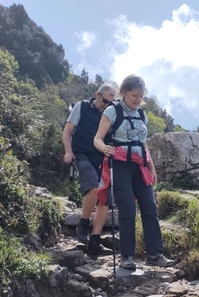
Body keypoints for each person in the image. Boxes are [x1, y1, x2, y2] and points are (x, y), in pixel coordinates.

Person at [93, 74, 175, 270]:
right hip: (120, 166)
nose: (137, 99)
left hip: (140, 166)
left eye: (140, 96)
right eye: (133, 95)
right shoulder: (112, 111)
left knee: (149, 207)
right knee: (127, 209)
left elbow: (143, 144)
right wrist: (104, 148)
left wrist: (152, 168)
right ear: (123, 92)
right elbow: (98, 138)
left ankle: (155, 254)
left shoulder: (142, 114)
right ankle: (127, 257)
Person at [63, 84, 117, 254]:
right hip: (82, 155)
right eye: (105, 100)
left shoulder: (111, 114)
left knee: (105, 200)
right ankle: (83, 224)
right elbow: (67, 131)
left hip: (103, 159)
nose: (106, 105)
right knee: (93, 187)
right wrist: (68, 151)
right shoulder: (82, 107)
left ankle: (95, 242)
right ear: (97, 95)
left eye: (111, 103)